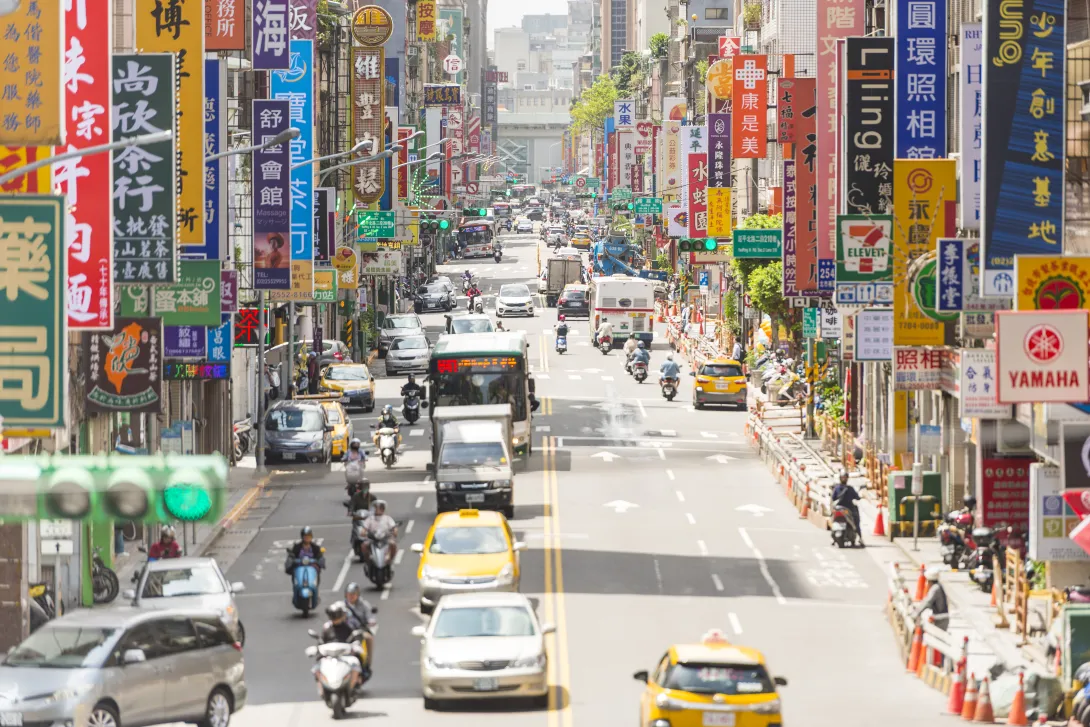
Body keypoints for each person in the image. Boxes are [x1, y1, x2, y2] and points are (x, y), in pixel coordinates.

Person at [320, 602, 364, 690]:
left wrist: (355, 645)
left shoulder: (348, 627)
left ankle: (356, 681)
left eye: (337, 616)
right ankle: (322, 688)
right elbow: (321, 642)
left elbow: (354, 638)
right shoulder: (326, 628)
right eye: (334, 616)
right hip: (330, 655)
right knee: (318, 667)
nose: (336, 619)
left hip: (345, 655)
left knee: (357, 661)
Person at [343, 583, 376, 678]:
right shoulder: (342, 605)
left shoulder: (364, 605)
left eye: (354, 594)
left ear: (358, 595)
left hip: (360, 631)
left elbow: (370, 616)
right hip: (346, 631)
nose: (351, 597)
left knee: (369, 638)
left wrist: (371, 621)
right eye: (349, 594)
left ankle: (367, 663)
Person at [831, 470, 864, 547]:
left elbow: (833, 497)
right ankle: (860, 538)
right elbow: (857, 497)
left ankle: (833, 538)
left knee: (833, 518)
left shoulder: (837, 488)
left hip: (838, 508)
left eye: (844, 477)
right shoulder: (849, 488)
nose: (843, 479)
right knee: (856, 521)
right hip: (848, 509)